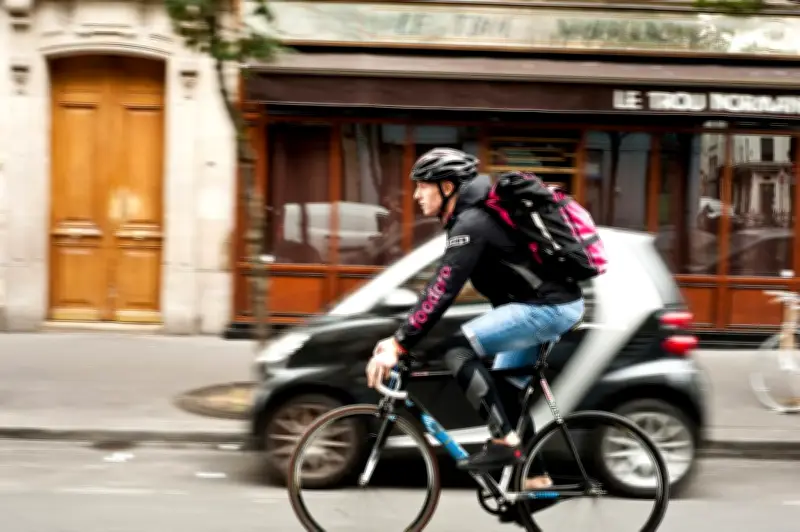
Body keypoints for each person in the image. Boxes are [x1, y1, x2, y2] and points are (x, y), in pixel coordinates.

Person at [366, 148, 585, 487]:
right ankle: (536, 481)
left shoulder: (472, 223)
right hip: (544, 305)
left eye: (423, 185)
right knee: (504, 388)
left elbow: (442, 288)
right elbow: (446, 285)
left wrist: (400, 342)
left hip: (547, 307)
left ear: (447, 187)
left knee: (457, 350)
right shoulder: (472, 218)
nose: (416, 195)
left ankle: (504, 442)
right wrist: (404, 338)